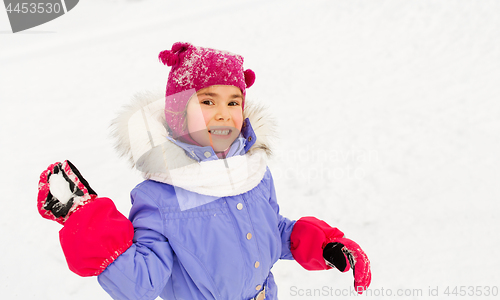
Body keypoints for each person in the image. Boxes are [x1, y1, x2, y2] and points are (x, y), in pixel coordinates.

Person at [37, 42, 371, 300]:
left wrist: (324, 245)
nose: (223, 114)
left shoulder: (252, 173)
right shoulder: (162, 195)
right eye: (208, 102)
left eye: (233, 102)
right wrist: (87, 222)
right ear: (179, 113)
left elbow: (272, 230)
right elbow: (141, 281)